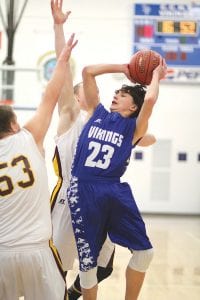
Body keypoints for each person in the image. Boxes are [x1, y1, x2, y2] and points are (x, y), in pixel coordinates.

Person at [50, 1, 156, 299]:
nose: (95, 91)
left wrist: (143, 137)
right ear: (77, 94)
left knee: (103, 266)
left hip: (99, 197)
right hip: (69, 200)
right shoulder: (70, 115)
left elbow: (143, 136)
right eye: (83, 87)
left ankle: (73, 294)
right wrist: (59, 26)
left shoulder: (109, 122)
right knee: (58, 268)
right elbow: (64, 67)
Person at [67, 58, 167, 300]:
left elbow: (150, 100)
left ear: (133, 107)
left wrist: (155, 75)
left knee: (145, 253)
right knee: (88, 263)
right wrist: (125, 68)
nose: (116, 96)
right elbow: (88, 70)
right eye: (116, 92)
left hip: (113, 189)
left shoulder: (134, 128)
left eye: (123, 95)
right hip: (83, 189)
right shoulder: (96, 112)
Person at [0, 33, 77, 300]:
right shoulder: (28, 137)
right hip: (37, 252)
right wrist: (63, 59)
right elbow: (50, 96)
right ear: (13, 126)